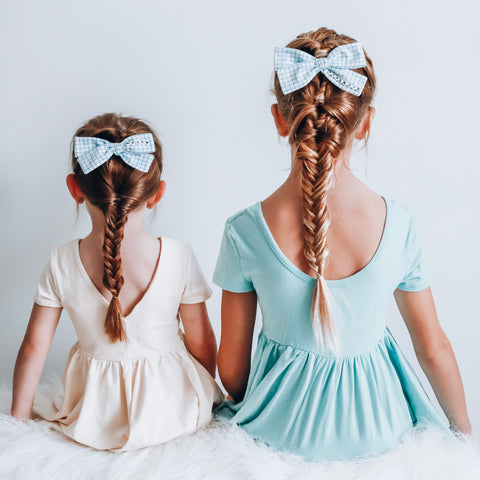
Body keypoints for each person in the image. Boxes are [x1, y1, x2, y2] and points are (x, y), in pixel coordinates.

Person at [212, 27, 471, 462]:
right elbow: (433, 348)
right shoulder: (399, 224)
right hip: (380, 435)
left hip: (278, 437)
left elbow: (233, 373)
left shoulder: (244, 231)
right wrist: (464, 437)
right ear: (365, 123)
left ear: (280, 118)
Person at [11, 113, 223, 451]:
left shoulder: (61, 260)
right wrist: (204, 390)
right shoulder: (178, 255)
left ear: (75, 189)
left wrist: (19, 418)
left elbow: (34, 347)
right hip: (172, 408)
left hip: (95, 412)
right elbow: (202, 340)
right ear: (157, 194)